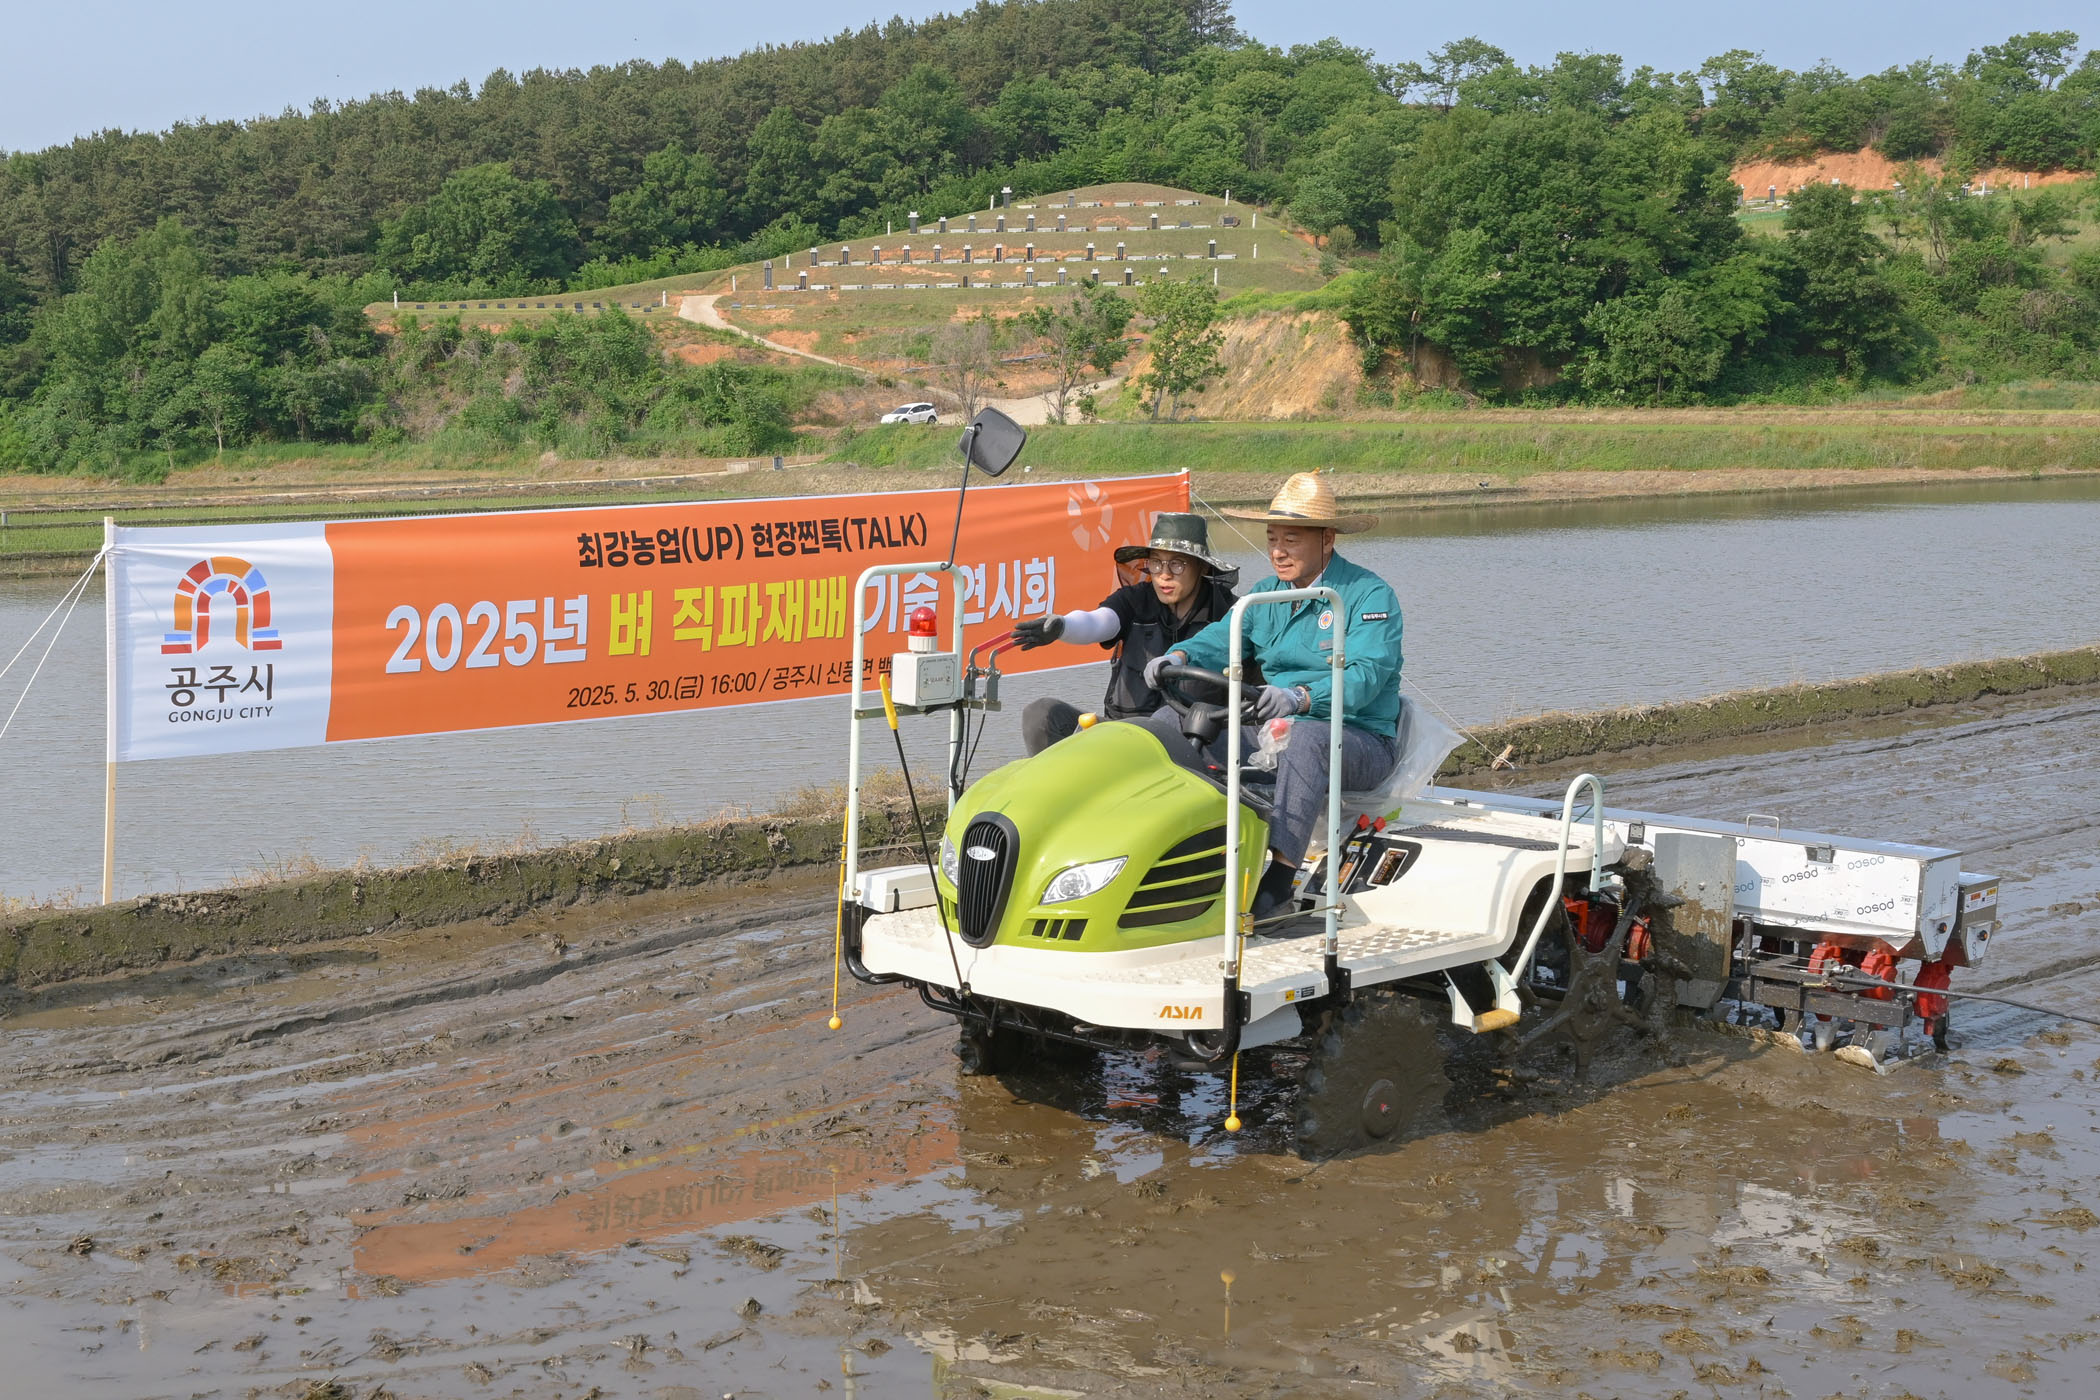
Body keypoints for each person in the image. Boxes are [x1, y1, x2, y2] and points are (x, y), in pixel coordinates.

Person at [1144, 473, 1402, 921]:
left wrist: (1300, 697)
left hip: (1359, 740)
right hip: (1277, 730)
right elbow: (1222, 636)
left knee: (1307, 739)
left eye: (1290, 540)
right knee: (1169, 724)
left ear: (1327, 539)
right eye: (1272, 538)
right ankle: (1174, 854)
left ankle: (1278, 883)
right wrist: (1179, 654)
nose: (1277, 551)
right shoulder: (1265, 594)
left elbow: (1365, 678)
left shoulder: (1368, 595)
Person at [1010, 513, 1238, 754]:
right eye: (1156, 563)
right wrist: (1063, 627)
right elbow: (1098, 622)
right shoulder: (1134, 600)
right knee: (1041, 713)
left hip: (1191, 750)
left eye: (1177, 564)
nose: (1164, 574)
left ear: (1202, 566)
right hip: (1124, 739)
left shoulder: (1230, 614)